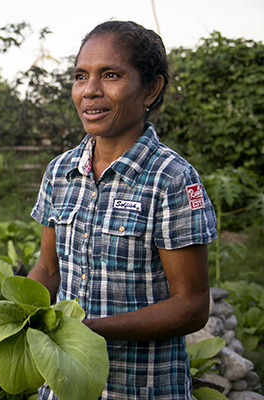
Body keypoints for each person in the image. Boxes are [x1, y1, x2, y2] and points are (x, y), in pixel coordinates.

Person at [28, 20, 217, 400]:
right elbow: (49, 269)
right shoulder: (60, 171)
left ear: (150, 88)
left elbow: (192, 306)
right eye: (81, 77)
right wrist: (16, 314)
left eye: (110, 75)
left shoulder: (172, 179)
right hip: (63, 383)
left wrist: (91, 329)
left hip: (142, 388)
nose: (90, 91)